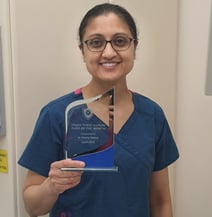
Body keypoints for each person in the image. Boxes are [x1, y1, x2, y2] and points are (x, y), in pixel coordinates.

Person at [18, 3, 179, 217]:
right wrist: (51, 186)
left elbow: (160, 201)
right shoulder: (56, 115)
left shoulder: (152, 115)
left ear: (134, 47)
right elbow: (32, 206)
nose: (109, 52)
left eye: (120, 41)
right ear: (83, 51)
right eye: (96, 42)